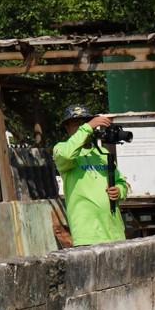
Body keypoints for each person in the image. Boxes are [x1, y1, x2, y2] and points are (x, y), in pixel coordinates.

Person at [53, 104, 130, 247]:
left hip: (115, 234)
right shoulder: (61, 149)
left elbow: (122, 183)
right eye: (76, 124)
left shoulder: (103, 153)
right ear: (67, 128)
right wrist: (88, 127)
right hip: (87, 237)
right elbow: (68, 154)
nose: (82, 126)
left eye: (84, 122)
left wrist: (119, 190)